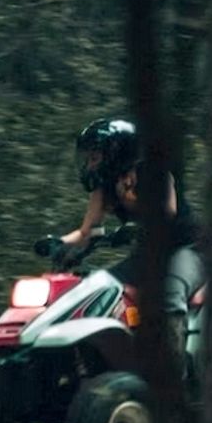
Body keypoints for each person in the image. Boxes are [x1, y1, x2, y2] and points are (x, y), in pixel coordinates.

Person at [58, 117, 204, 365]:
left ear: (116, 152)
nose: (89, 164)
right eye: (89, 157)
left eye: (95, 156)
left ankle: (172, 372)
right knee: (99, 289)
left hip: (186, 248)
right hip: (149, 254)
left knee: (169, 293)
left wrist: (134, 216)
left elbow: (166, 214)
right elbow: (85, 231)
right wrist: (58, 243)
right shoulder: (103, 186)